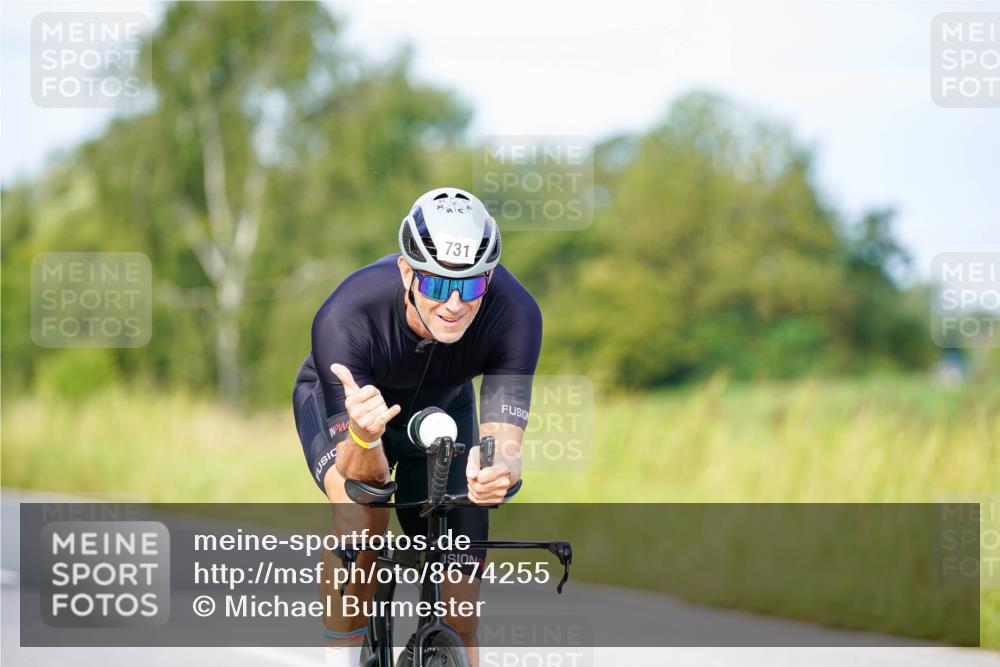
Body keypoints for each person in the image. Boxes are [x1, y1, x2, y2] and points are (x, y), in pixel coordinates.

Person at [292, 187, 542, 667]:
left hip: (445, 413)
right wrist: (365, 435)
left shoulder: (516, 313)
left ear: (487, 279)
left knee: (462, 598)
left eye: (469, 286)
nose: (453, 303)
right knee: (363, 516)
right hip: (357, 411)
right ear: (407, 271)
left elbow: (504, 442)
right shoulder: (346, 314)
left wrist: (495, 473)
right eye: (435, 284)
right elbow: (357, 470)